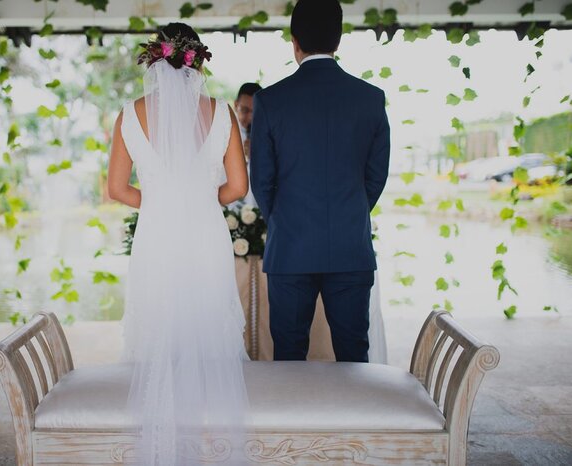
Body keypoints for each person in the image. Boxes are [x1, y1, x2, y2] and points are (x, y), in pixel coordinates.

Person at [107, 23, 251, 465]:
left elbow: (116, 189)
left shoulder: (130, 114)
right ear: (199, 61)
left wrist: (159, 203)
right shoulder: (223, 112)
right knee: (207, 332)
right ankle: (214, 442)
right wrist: (201, 199)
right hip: (206, 234)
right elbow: (239, 186)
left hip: (157, 235)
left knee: (159, 332)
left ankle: (163, 442)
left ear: (154, 59)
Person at [250, 0, 391, 363]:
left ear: (294, 41)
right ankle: (350, 421)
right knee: (353, 353)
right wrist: (349, 210)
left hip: (290, 249)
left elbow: (262, 181)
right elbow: (375, 176)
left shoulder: (270, 101)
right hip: (350, 245)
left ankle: (294, 420)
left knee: (289, 354)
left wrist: (284, 219)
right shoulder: (371, 99)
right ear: (339, 40)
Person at [229, 82, 261, 208]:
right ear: (236, 105)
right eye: (245, 110)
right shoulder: (225, 130)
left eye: (255, 111)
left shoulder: (268, 134)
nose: (251, 117)